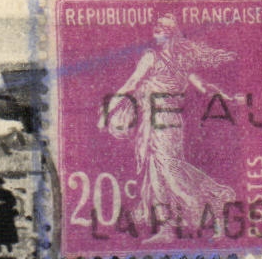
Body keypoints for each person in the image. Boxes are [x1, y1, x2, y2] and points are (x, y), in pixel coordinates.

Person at [99, 12, 236, 241]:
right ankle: (167, 228)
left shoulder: (151, 57)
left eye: (162, 28)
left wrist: (107, 110)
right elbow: (203, 86)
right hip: (166, 122)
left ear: (171, 35)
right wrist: (224, 95)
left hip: (161, 123)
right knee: (157, 172)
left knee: (171, 172)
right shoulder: (182, 63)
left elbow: (131, 84)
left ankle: (215, 206)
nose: (157, 30)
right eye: (157, 26)